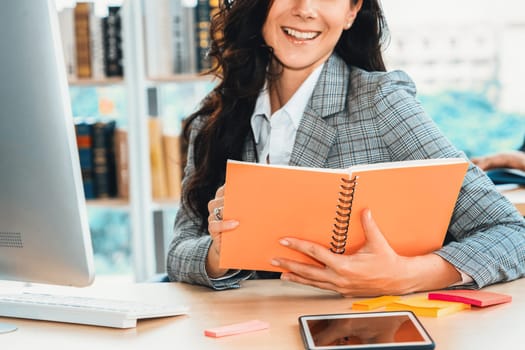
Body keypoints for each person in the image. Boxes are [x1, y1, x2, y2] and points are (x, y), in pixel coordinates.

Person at [167, 0, 525, 296]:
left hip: (358, 333)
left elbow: (512, 233)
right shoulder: (213, 120)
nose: (305, 9)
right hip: (248, 332)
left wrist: (409, 274)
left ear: (352, 11)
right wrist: (220, 251)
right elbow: (178, 253)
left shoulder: (381, 102)